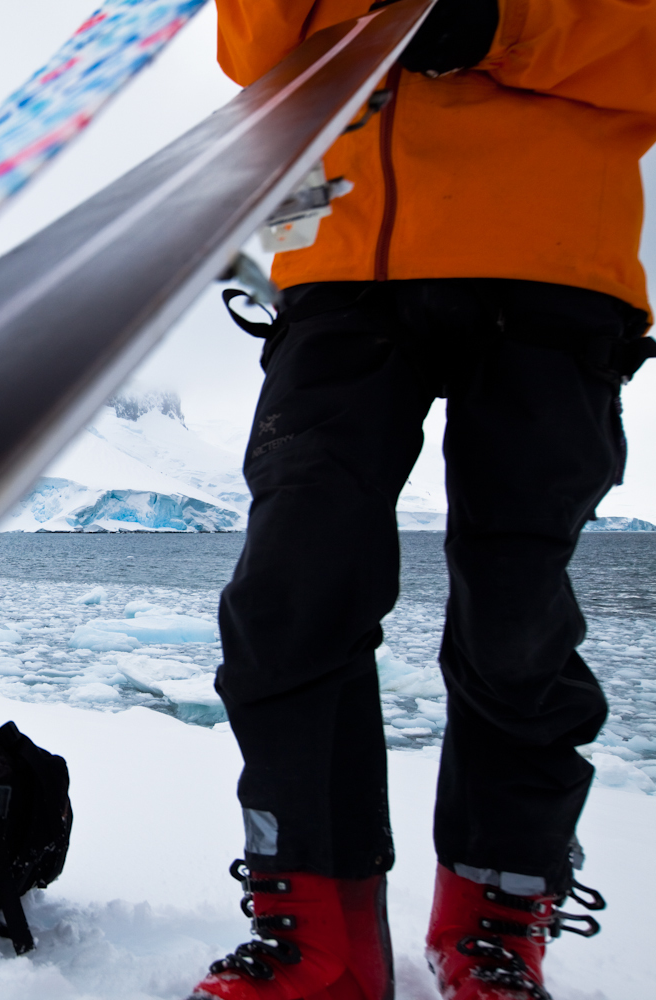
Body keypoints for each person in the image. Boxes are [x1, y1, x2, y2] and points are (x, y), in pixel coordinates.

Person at [189, 2, 656, 999]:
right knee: (286, 592)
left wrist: (502, 23)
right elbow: (257, 52)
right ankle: (320, 937)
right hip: (342, 268)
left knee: (516, 616)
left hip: (548, 272)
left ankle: (493, 925)